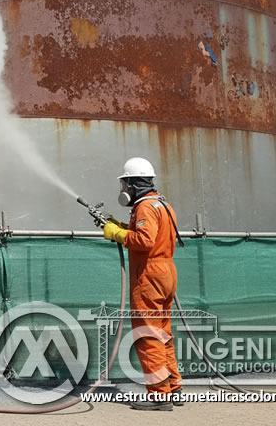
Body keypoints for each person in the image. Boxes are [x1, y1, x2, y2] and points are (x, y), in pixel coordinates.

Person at [101, 157, 184, 411]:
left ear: (133, 184)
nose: (123, 190)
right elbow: (152, 234)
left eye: (125, 184)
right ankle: (173, 387)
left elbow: (145, 241)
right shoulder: (162, 204)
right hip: (166, 272)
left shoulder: (146, 207)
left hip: (149, 275)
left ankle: (160, 396)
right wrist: (119, 226)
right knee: (163, 333)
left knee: (148, 335)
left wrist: (117, 234)